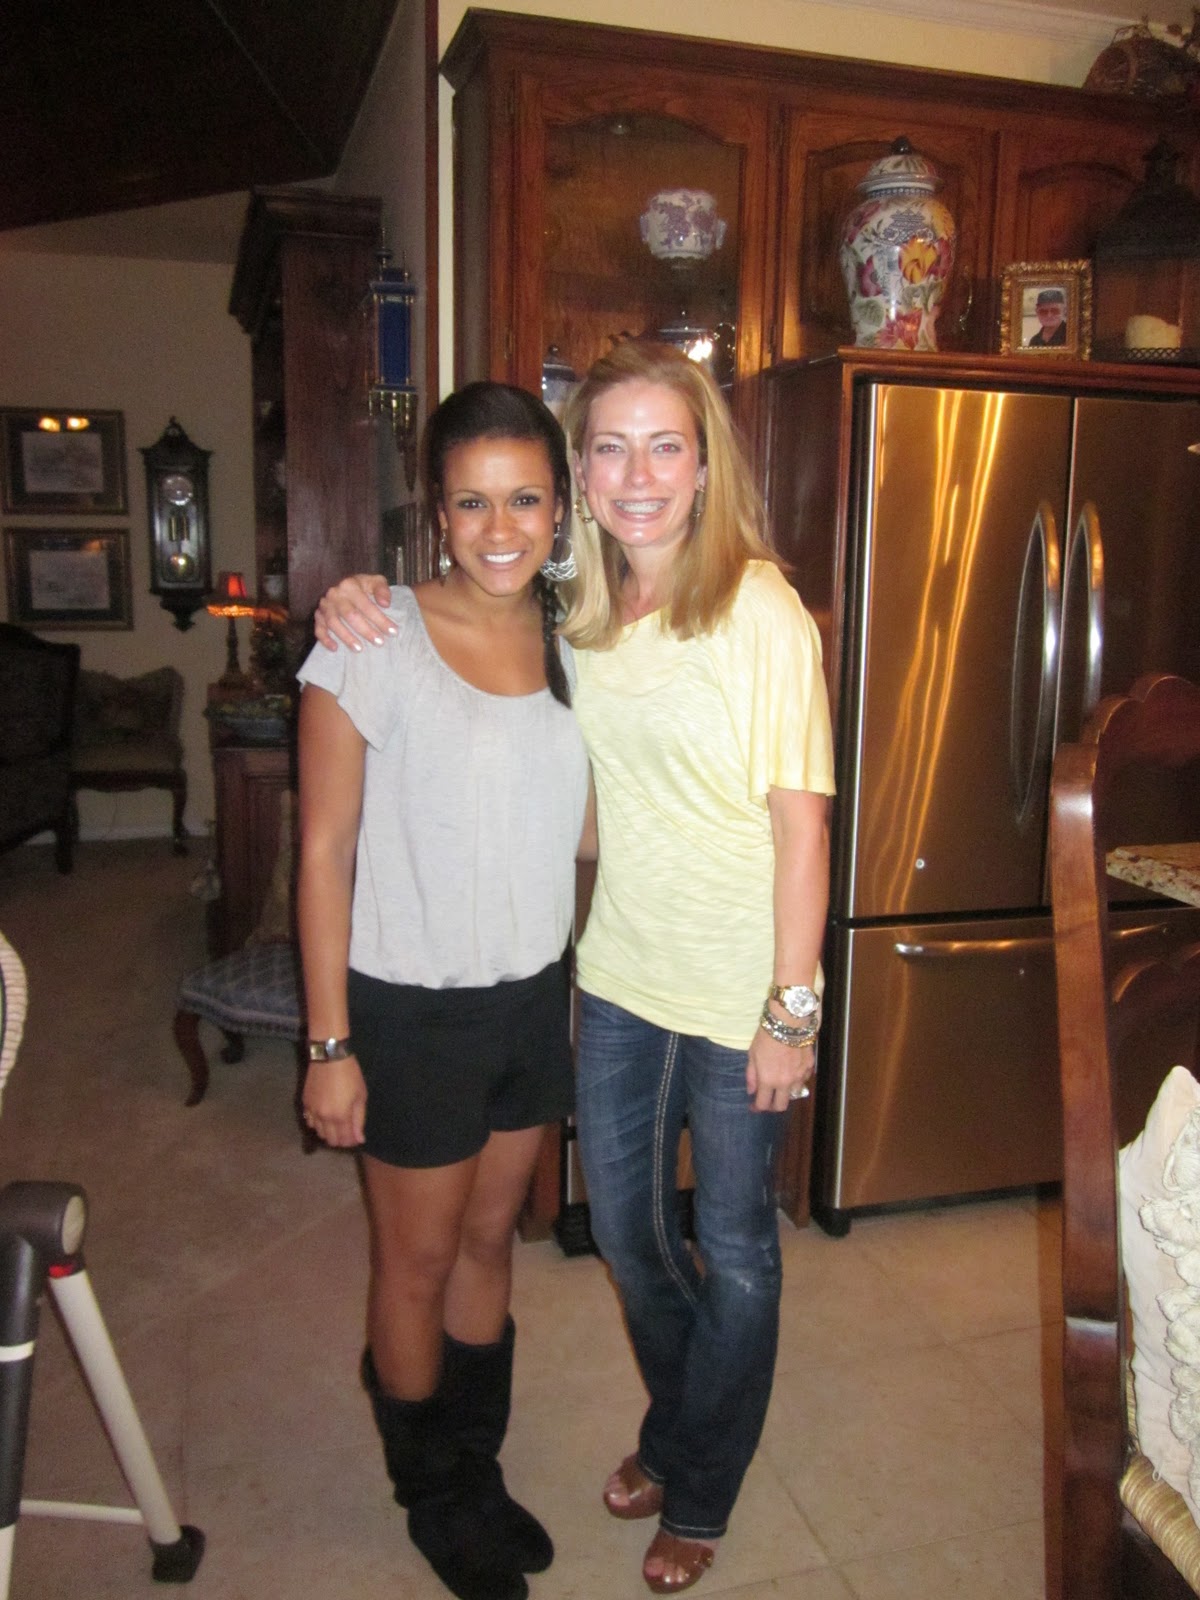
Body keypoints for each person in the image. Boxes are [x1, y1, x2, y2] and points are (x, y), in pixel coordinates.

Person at [314, 341, 835, 1595]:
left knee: (620, 1247)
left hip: (634, 993)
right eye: (610, 447)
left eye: (664, 446)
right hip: (514, 996)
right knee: (524, 1252)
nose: (501, 526)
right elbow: (354, 837)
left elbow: (763, 818)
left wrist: (792, 1001)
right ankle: (455, 1484)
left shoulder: (665, 620)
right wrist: (330, 1041)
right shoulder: (474, 629)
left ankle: (595, 1477)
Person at [295, 380, 591, 1600]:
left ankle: (473, 1465)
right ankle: (431, 1490)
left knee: (488, 1241)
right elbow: (323, 851)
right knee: (414, 1263)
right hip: (411, 1008)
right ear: (437, 511)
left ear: (561, 508)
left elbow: (576, 824)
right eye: (472, 501)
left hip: (531, 998)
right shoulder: (371, 639)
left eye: (525, 498)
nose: (500, 527)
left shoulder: (578, 641)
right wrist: (329, 1046)